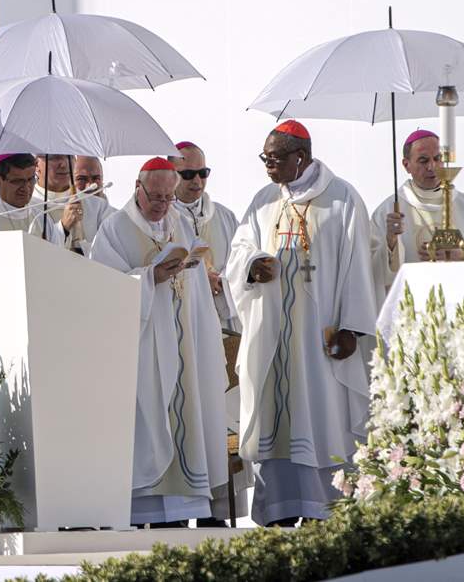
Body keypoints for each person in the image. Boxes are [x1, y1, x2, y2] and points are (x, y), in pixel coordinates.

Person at [224, 120, 379, 527]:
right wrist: (254, 266)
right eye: (264, 158)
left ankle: (323, 510)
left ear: (301, 158)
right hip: (273, 334)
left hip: (320, 337)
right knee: (272, 419)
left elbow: (358, 268)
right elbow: (238, 252)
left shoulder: (344, 200)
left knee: (321, 418)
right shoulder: (262, 201)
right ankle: (278, 509)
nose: (267, 167)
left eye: (273, 159)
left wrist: (352, 328)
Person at [90, 158, 228, 527]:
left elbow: (196, 291)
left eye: (169, 197)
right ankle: (147, 508)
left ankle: (182, 513)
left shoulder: (181, 223)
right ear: (138, 188)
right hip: (144, 349)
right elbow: (103, 290)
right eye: (156, 197)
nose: (162, 204)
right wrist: (149, 278)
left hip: (183, 343)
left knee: (185, 414)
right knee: (150, 418)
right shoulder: (114, 229)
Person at [370, 128, 464, 296]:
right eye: (423, 160)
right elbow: (371, 270)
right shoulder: (388, 210)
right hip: (411, 304)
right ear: (406, 165)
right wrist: (390, 241)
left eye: (437, 158)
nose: (431, 167)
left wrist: (461, 255)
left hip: (460, 301)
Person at [173, 141, 240, 330]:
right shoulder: (163, 220)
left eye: (203, 173)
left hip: (224, 316)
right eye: (187, 174)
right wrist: (201, 282)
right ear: (172, 175)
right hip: (183, 319)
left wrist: (220, 284)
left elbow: (241, 264)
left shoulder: (225, 217)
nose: (197, 181)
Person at [0, 152, 60, 242]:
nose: (26, 188)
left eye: (31, 179)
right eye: (17, 181)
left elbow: (59, 255)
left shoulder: (42, 218)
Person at [35, 153, 105, 254]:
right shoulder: (27, 207)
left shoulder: (98, 207)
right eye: (54, 157)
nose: (64, 164)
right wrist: (63, 227)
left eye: (69, 156)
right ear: (36, 165)